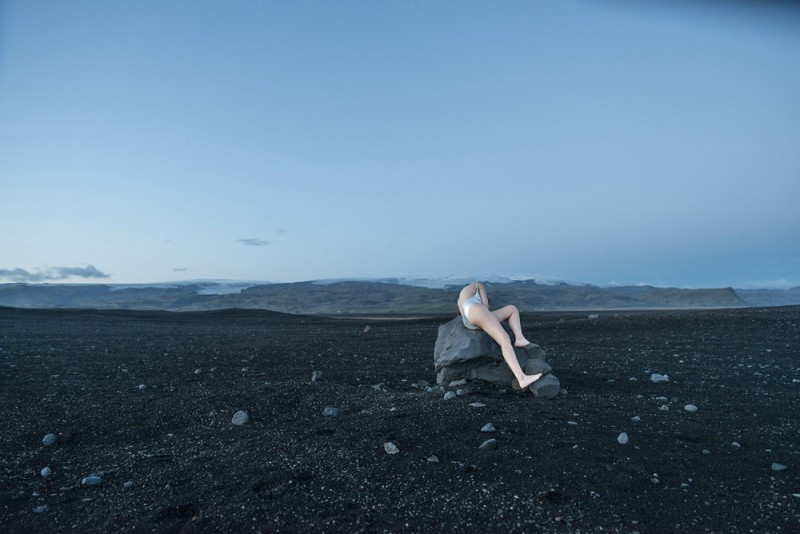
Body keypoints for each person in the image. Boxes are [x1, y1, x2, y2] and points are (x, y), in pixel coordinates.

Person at [457, 282, 543, 390]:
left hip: (469, 319)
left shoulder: (463, 293)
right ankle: (522, 378)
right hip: (476, 309)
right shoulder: (478, 285)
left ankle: (520, 338)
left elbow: (461, 311)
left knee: (512, 309)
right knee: (504, 339)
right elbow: (486, 306)